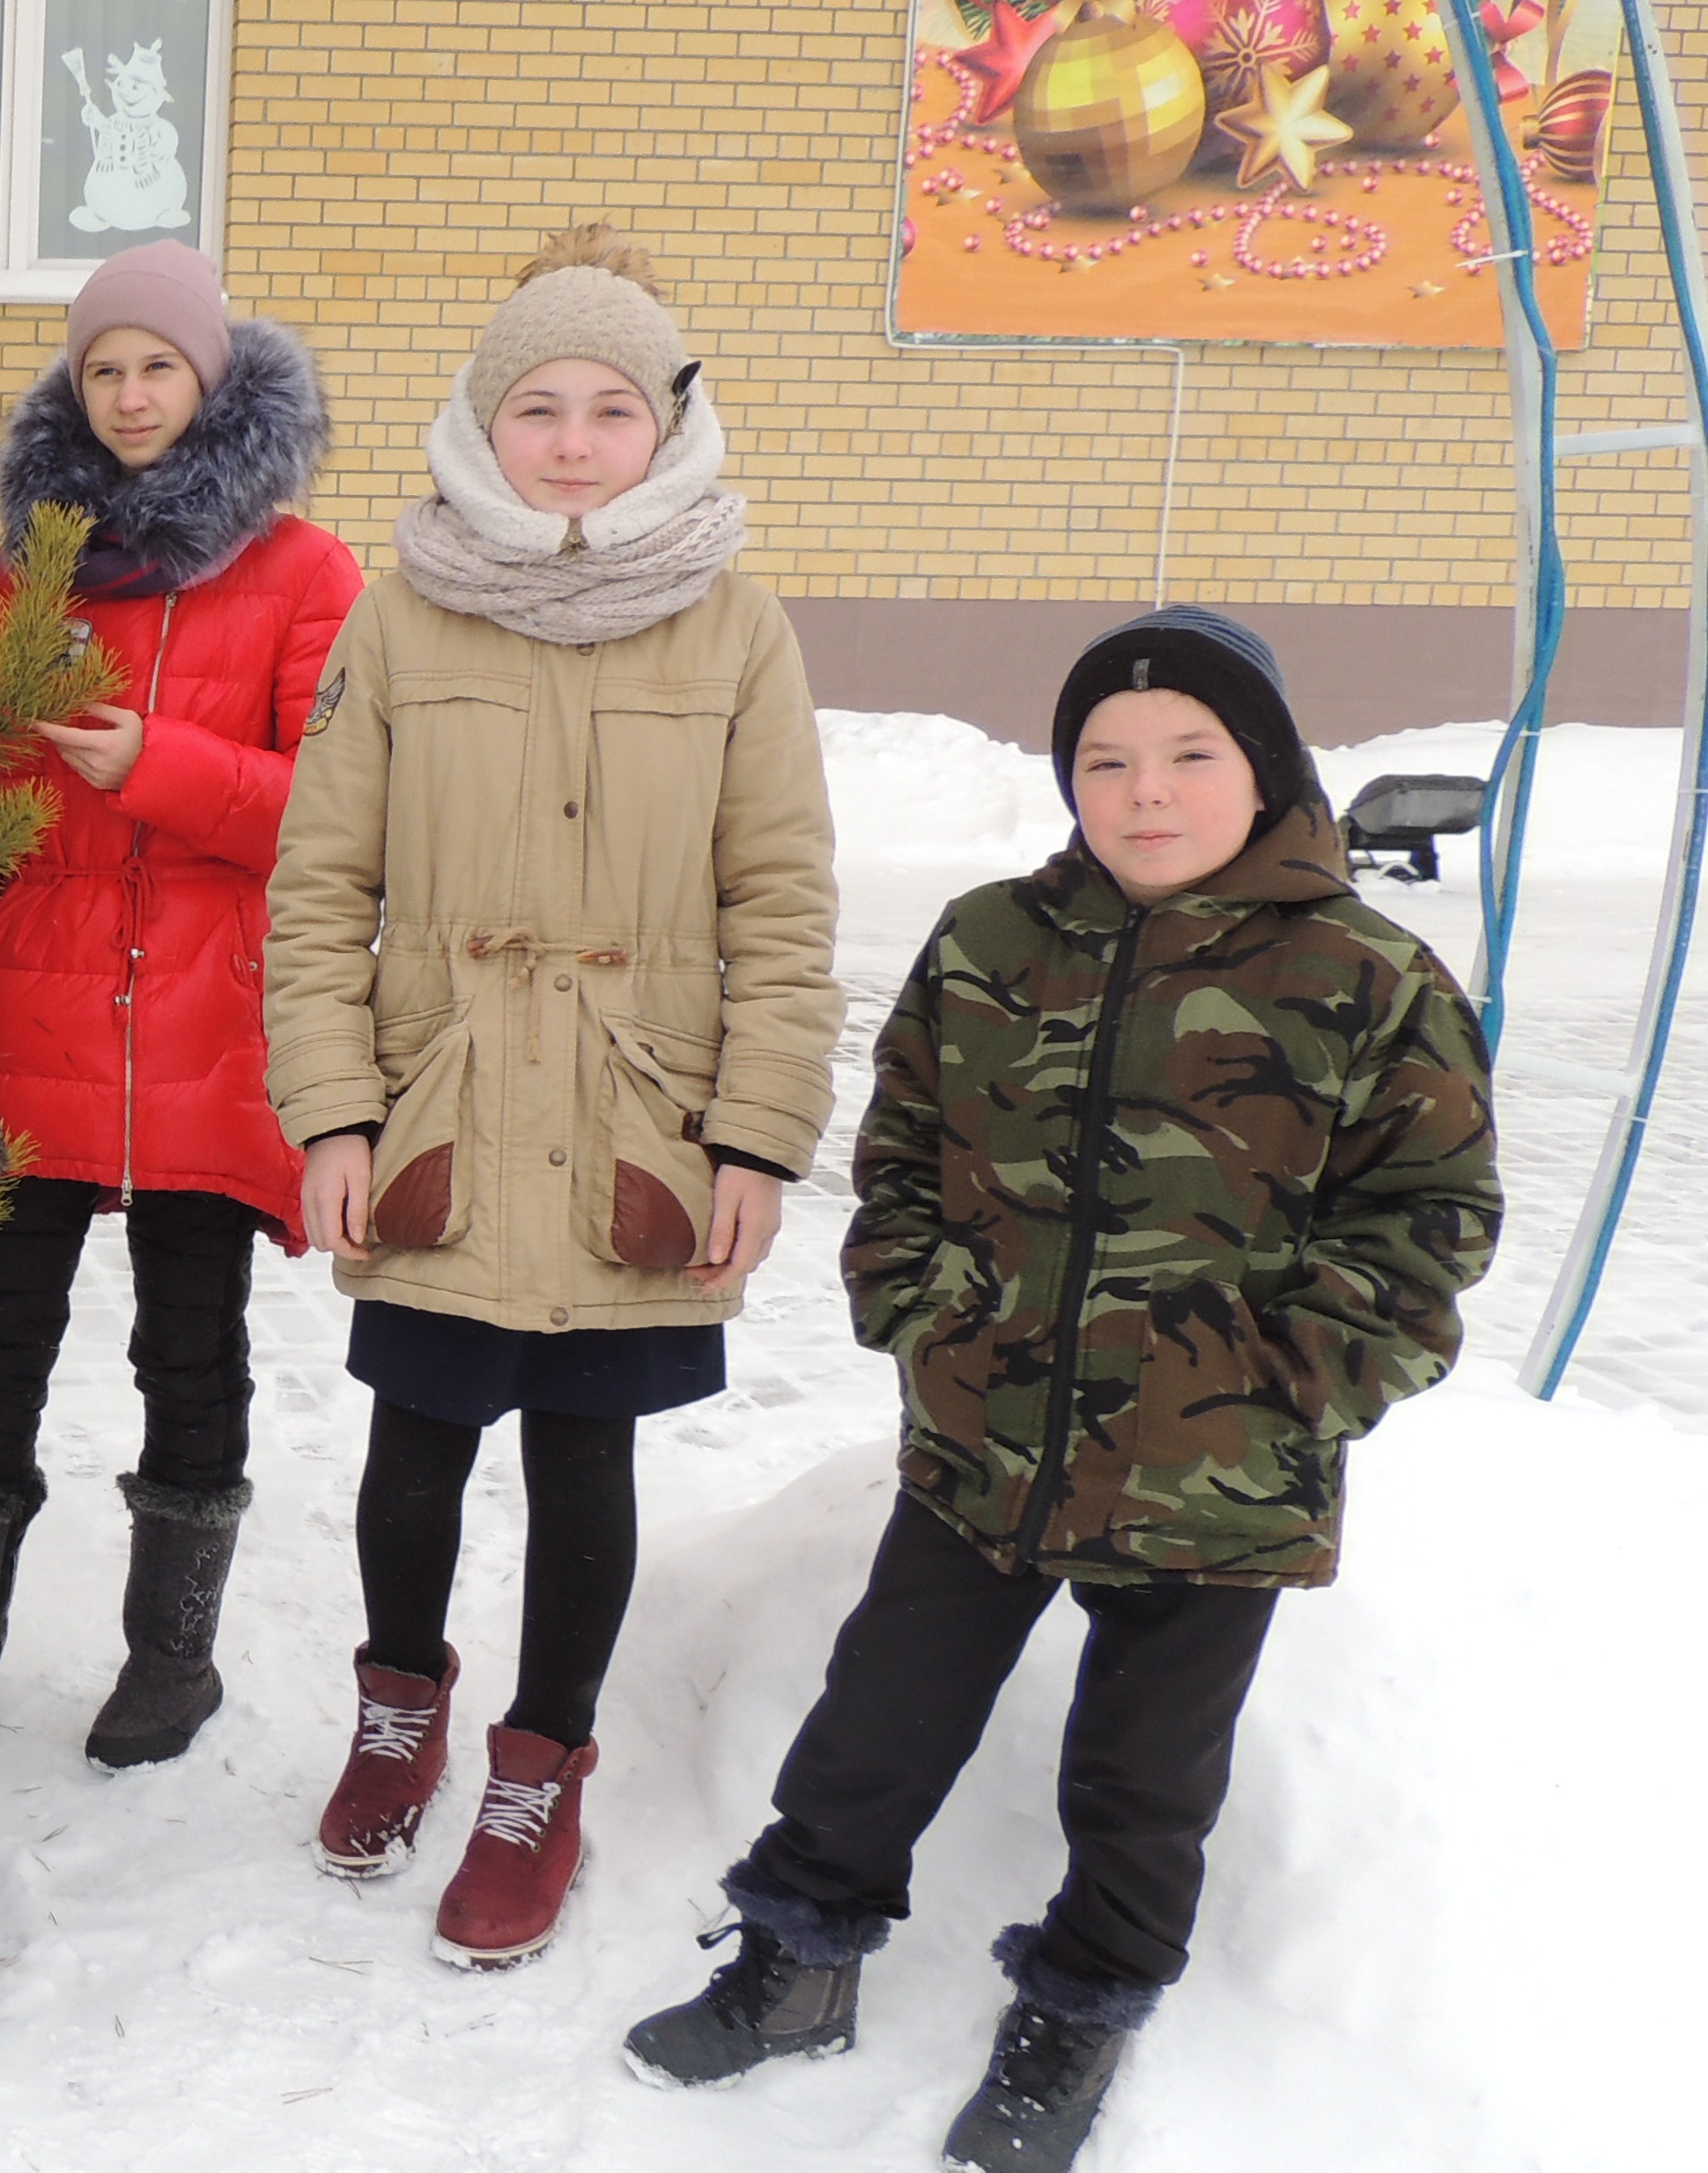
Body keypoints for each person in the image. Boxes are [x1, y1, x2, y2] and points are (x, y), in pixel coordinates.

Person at [622, 610, 1499, 2173]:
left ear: (1266, 768)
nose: (1144, 791)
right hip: (987, 1435)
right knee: (875, 1719)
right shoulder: (990, 941)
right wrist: (922, 1314)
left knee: (1143, 1778)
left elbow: (1430, 1218)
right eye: (1104, 759)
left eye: (1188, 755)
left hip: (1218, 1476)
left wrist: (1286, 1380)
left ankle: (1079, 2010)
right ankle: (797, 1955)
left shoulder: (1368, 976)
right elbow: (900, 1148)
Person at [265, 223, 841, 1967]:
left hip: (633, 1125)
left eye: (609, 407)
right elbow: (318, 885)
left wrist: (754, 1135)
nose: (573, 442)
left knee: (584, 1456)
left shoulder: (737, 631)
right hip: (441, 1108)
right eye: (537, 407)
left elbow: (782, 902)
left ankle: (539, 1766)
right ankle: (398, 1707)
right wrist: (333, 1110)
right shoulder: (398, 616)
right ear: (481, 421)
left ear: (665, 425)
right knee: (415, 1440)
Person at [0, 240, 361, 1769]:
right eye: (102, 367)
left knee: (190, 1346)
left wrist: (159, 764)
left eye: (158, 364)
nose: (130, 392)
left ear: (212, 377)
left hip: (208, 1022)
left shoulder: (304, 572)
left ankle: (171, 1659)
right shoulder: (29, 567)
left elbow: (335, 810)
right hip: (32, 1012)